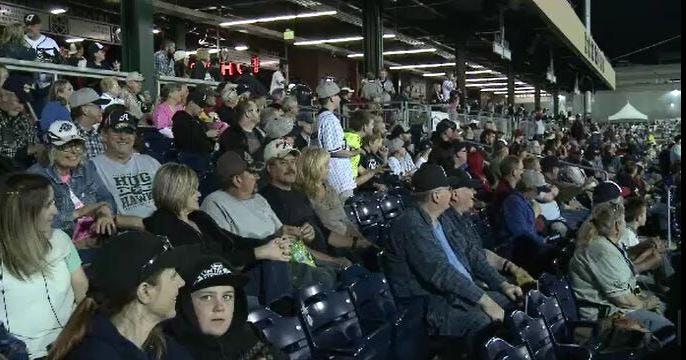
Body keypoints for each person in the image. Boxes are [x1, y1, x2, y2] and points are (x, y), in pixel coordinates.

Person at [384, 164, 521, 351]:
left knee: (512, 303)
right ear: (436, 196)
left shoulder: (443, 218)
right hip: (429, 306)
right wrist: (484, 300)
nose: (452, 193)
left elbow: (472, 255)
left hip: (454, 294)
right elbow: (440, 272)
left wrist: (501, 283)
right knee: (484, 322)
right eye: (449, 189)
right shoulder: (410, 225)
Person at [47, 231, 192, 360]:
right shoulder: (95, 354)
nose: (182, 282)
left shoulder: (159, 346)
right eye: (173, 276)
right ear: (145, 292)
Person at [0, 173, 88, 359]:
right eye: (48, 204)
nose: (55, 211)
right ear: (27, 211)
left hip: (70, 345)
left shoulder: (61, 240)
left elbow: (81, 291)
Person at [144, 162, 292, 269]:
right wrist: (258, 253)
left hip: (232, 273)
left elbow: (234, 241)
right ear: (177, 192)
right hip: (211, 288)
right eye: (193, 190)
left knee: (282, 256)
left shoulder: (198, 217)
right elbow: (208, 261)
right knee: (274, 264)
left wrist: (271, 242)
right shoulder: (164, 225)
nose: (199, 194)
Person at [568, 202, 675, 347]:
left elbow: (628, 280)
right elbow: (622, 298)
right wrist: (645, 303)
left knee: (661, 306)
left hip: (620, 304)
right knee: (668, 330)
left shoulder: (607, 243)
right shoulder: (600, 251)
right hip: (608, 316)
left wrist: (641, 296)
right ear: (618, 226)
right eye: (624, 221)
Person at [165, 254, 281, 359]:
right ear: (186, 303)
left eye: (227, 297)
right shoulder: (169, 351)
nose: (220, 307)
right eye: (207, 297)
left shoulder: (248, 335)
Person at [442, 169, 535, 287]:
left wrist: (512, 268)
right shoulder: (448, 223)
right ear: (455, 194)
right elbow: (471, 261)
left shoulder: (464, 217)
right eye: (470, 188)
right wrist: (502, 284)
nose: (474, 192)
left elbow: (480, 253)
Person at [28, 120, 116, 241]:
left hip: (97, 235)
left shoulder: (87, 167)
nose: (74, 151)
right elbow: (37, 221)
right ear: (51, 149)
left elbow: (106, 197)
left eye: (77, 145)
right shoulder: (36, 177)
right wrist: (79, 213)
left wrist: (104, 212)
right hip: (63, 242)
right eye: (66, 146)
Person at [91, 109, 160, 222]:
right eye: (117, 131)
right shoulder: (92, 167)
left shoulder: (150, 162)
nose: (123, 137)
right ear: (104, 135)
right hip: (122, 231)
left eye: (128, 132)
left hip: (158, 226)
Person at [316, 80, 358, 201]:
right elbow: (333, 150)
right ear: (331, 98)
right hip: (338, 174)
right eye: (337, 95)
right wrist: (355, 152)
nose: (340, 98)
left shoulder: (322, 117)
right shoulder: (329, 119)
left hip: (333, 172)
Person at [171, 89, 219, 175]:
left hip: (204, 160)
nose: (202, 108)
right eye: (200, 105)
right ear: (191, 103)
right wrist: (206, 135)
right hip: (190, 163)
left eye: (204, 105)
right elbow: (185, 141)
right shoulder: (180, 118)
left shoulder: (198, 120)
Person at [0, 74, 42, 168]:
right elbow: (4, 153)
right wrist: (30, 150)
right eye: (19, 101)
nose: (21, 107)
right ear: (4, 95)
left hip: (22, 174)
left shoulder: (23, 119)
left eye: (25, 102)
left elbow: (34, 142)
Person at [69, 88, 109, 159]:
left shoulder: (98, 136)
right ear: (85, 110)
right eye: (98, 106)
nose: (102, 111)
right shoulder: (69, 136)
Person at [343, 110, 375, 178]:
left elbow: (358, 168)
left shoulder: (356, 139)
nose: (373, 127)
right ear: (365, 127)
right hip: (345, 182)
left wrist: (377, 170)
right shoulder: (351, 139)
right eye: (372, 124)